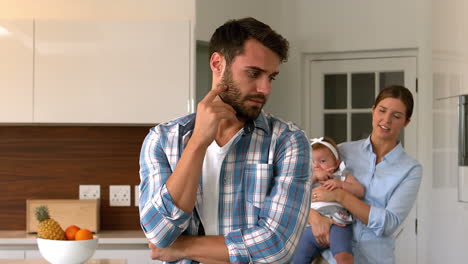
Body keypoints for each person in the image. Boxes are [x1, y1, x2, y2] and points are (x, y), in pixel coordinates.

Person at [138, 17, 312, 264]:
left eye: (271, 77)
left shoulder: (288, 142)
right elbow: (158, 233)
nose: (265, 89)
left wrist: (181, 248)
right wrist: (198, 142)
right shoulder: (162, 140)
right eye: (254, 73)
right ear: (218, 63)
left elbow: (276, 247)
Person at [309, 85, 422, 264]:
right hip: (329, 257)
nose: (386, 120)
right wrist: (314, 217)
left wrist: (340, 195)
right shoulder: (343, 151)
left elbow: (388, 223)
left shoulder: (410, 169)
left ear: (406, 122)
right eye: (382, 111)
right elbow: (303, 191)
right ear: (373, 111)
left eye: (397, 116)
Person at [293, 136, 365, 264]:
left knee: (344, 257)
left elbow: (360, 191)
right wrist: (314, 178)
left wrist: (341, 185)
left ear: (336, 163)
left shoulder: (341, 176)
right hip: (310, 228)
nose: (316, 165)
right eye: (312, 161)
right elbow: (295, 194)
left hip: (338, 224)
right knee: (297, 258)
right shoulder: (306, 178)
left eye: (322, 161)